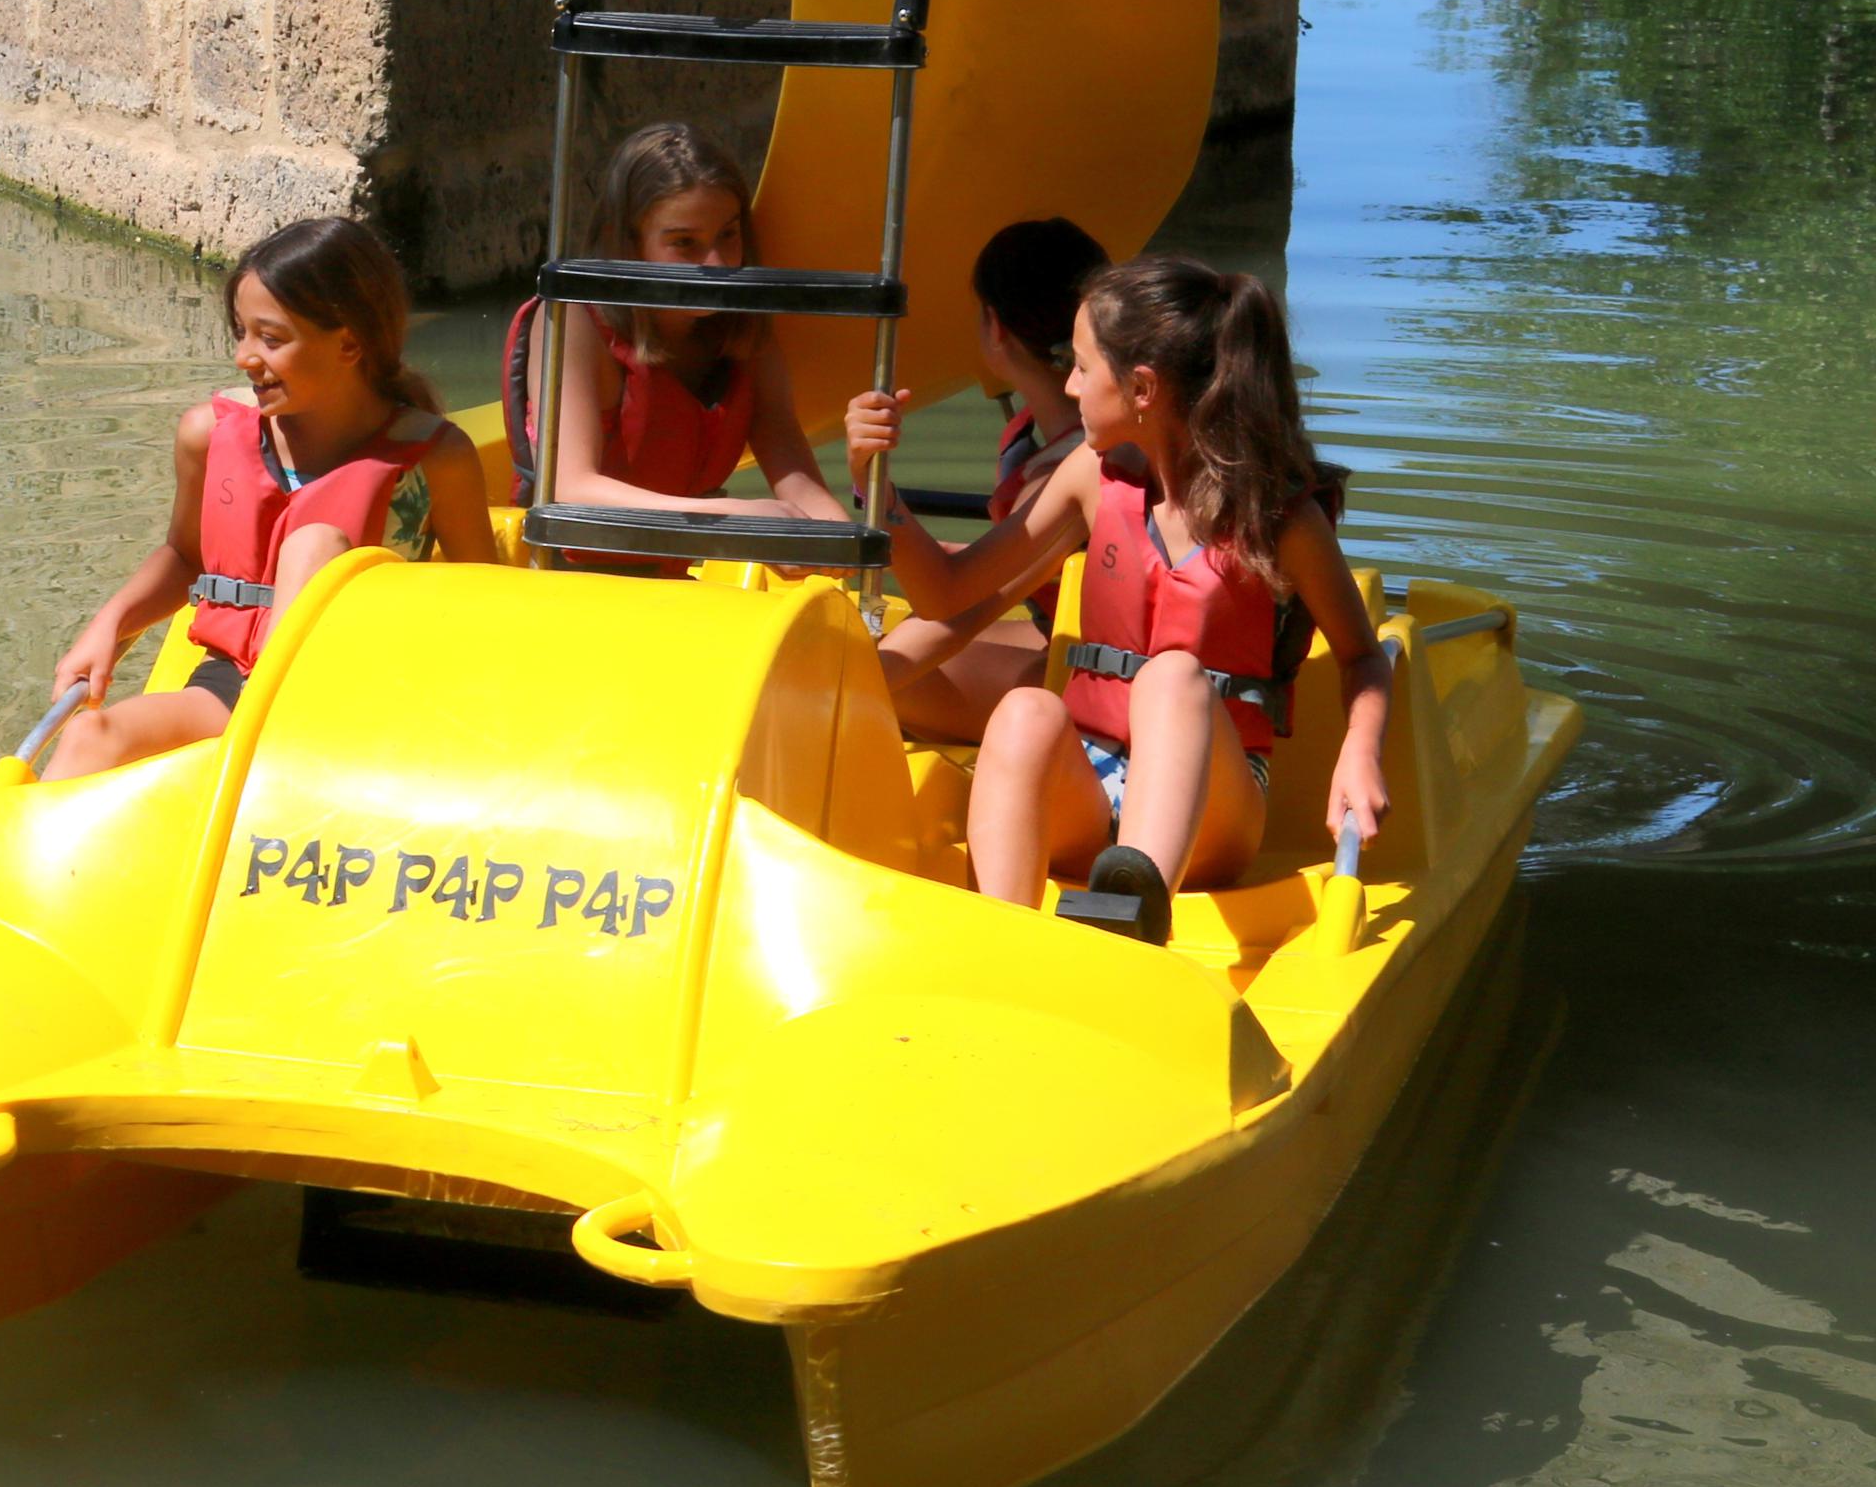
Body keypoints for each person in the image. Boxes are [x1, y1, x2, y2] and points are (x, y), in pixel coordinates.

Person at [842, 256, 1390, 939]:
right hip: (1088, 779)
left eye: (1079, 365)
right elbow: (946, 591)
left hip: (1215, 813)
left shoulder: (1278, 517)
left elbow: (1363, 656)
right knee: (1023, 711)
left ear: (1140, 388)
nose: (1067, 385)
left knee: (1171, 676)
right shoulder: (1088, 477)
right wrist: (876, 486)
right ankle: (996, 939)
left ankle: (1134, 912)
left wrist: (1358, 751)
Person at [42, 216, 496, 780]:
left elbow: (484, 605)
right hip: (230, 689)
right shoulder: (207, 435)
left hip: (368, 694)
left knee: (317, 543)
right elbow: (187, 559)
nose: (244, 357)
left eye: (271, 339)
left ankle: (269, 747)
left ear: (349, 343)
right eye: (240, 333)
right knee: (92, 734)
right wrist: (109, 622)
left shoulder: (435, 457)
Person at [499, 122, 852, 567]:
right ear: (629, 243)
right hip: (565, 584)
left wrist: (834, 535)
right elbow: (570, 488)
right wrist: (733, 518)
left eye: (728, 235)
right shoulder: (574, 320)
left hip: (672, 588)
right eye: (685, 243)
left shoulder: (745, 330)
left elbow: (789, 459)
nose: (717, 265)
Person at [873, 216, 1108, 741]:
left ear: (994, 327)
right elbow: (1023, 566)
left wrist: (873, 483)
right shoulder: (1051, 441)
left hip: (1094, 685)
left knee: (878, 673)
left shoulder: (1066, 470)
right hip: (1077, 639)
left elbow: (956, 610)